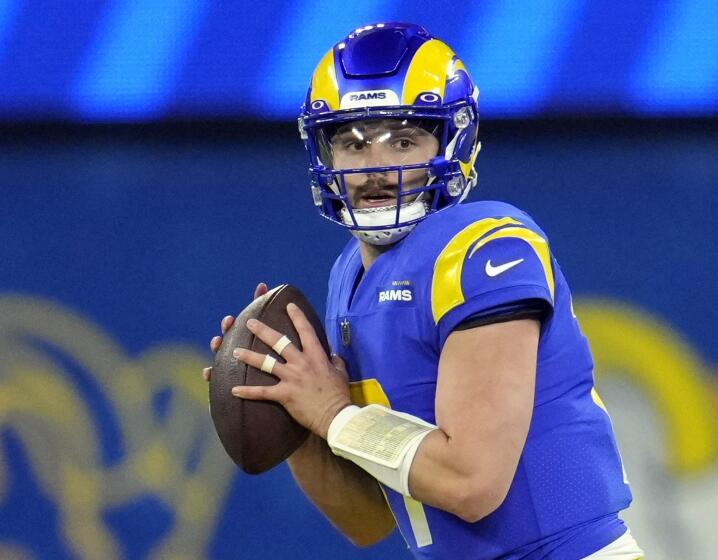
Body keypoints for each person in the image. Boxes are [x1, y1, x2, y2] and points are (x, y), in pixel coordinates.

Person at [204, 22, 644, 560]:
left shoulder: (485, 248)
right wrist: (292, 414)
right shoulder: (350, 275)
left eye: (404, 140)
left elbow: (471, 482)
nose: (374, 169)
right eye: (352, 142)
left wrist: (332, 415)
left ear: (455, 141)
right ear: (325, 154)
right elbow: (367, 521)